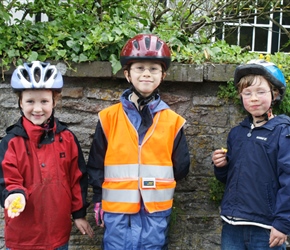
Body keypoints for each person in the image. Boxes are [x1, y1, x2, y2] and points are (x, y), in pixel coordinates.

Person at [87, 33, 190, 249]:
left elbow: (181, 167)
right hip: (117, 213)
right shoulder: (108, 118)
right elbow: (96, 164)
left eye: (153, 69)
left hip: (155, 212)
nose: (146, 74)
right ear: (127, 74)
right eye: (139, 68)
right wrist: (98, 197)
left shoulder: (173, 122)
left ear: (162, 75)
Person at [0, 61, 94, 250]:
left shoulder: (67, 139)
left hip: (57, 235)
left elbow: (77, 179)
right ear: (20, 102)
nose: (37, 109)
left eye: (44, 101)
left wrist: (79, 214)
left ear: (54, 101)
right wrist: (14, 193)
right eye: (30, 101)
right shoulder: (11, 142)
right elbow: (7, 179)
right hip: (22, 237)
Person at [212, 59, 290, 250]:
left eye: (261, 92)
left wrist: (282, 223)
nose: (254, 98)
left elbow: (288, 180)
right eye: (247, 93)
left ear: (276, 94)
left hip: (265, 228)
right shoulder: (237, 133)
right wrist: (221, 167)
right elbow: (232, 178)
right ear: (241, 96)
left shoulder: (283, 132)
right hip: (232, 226)